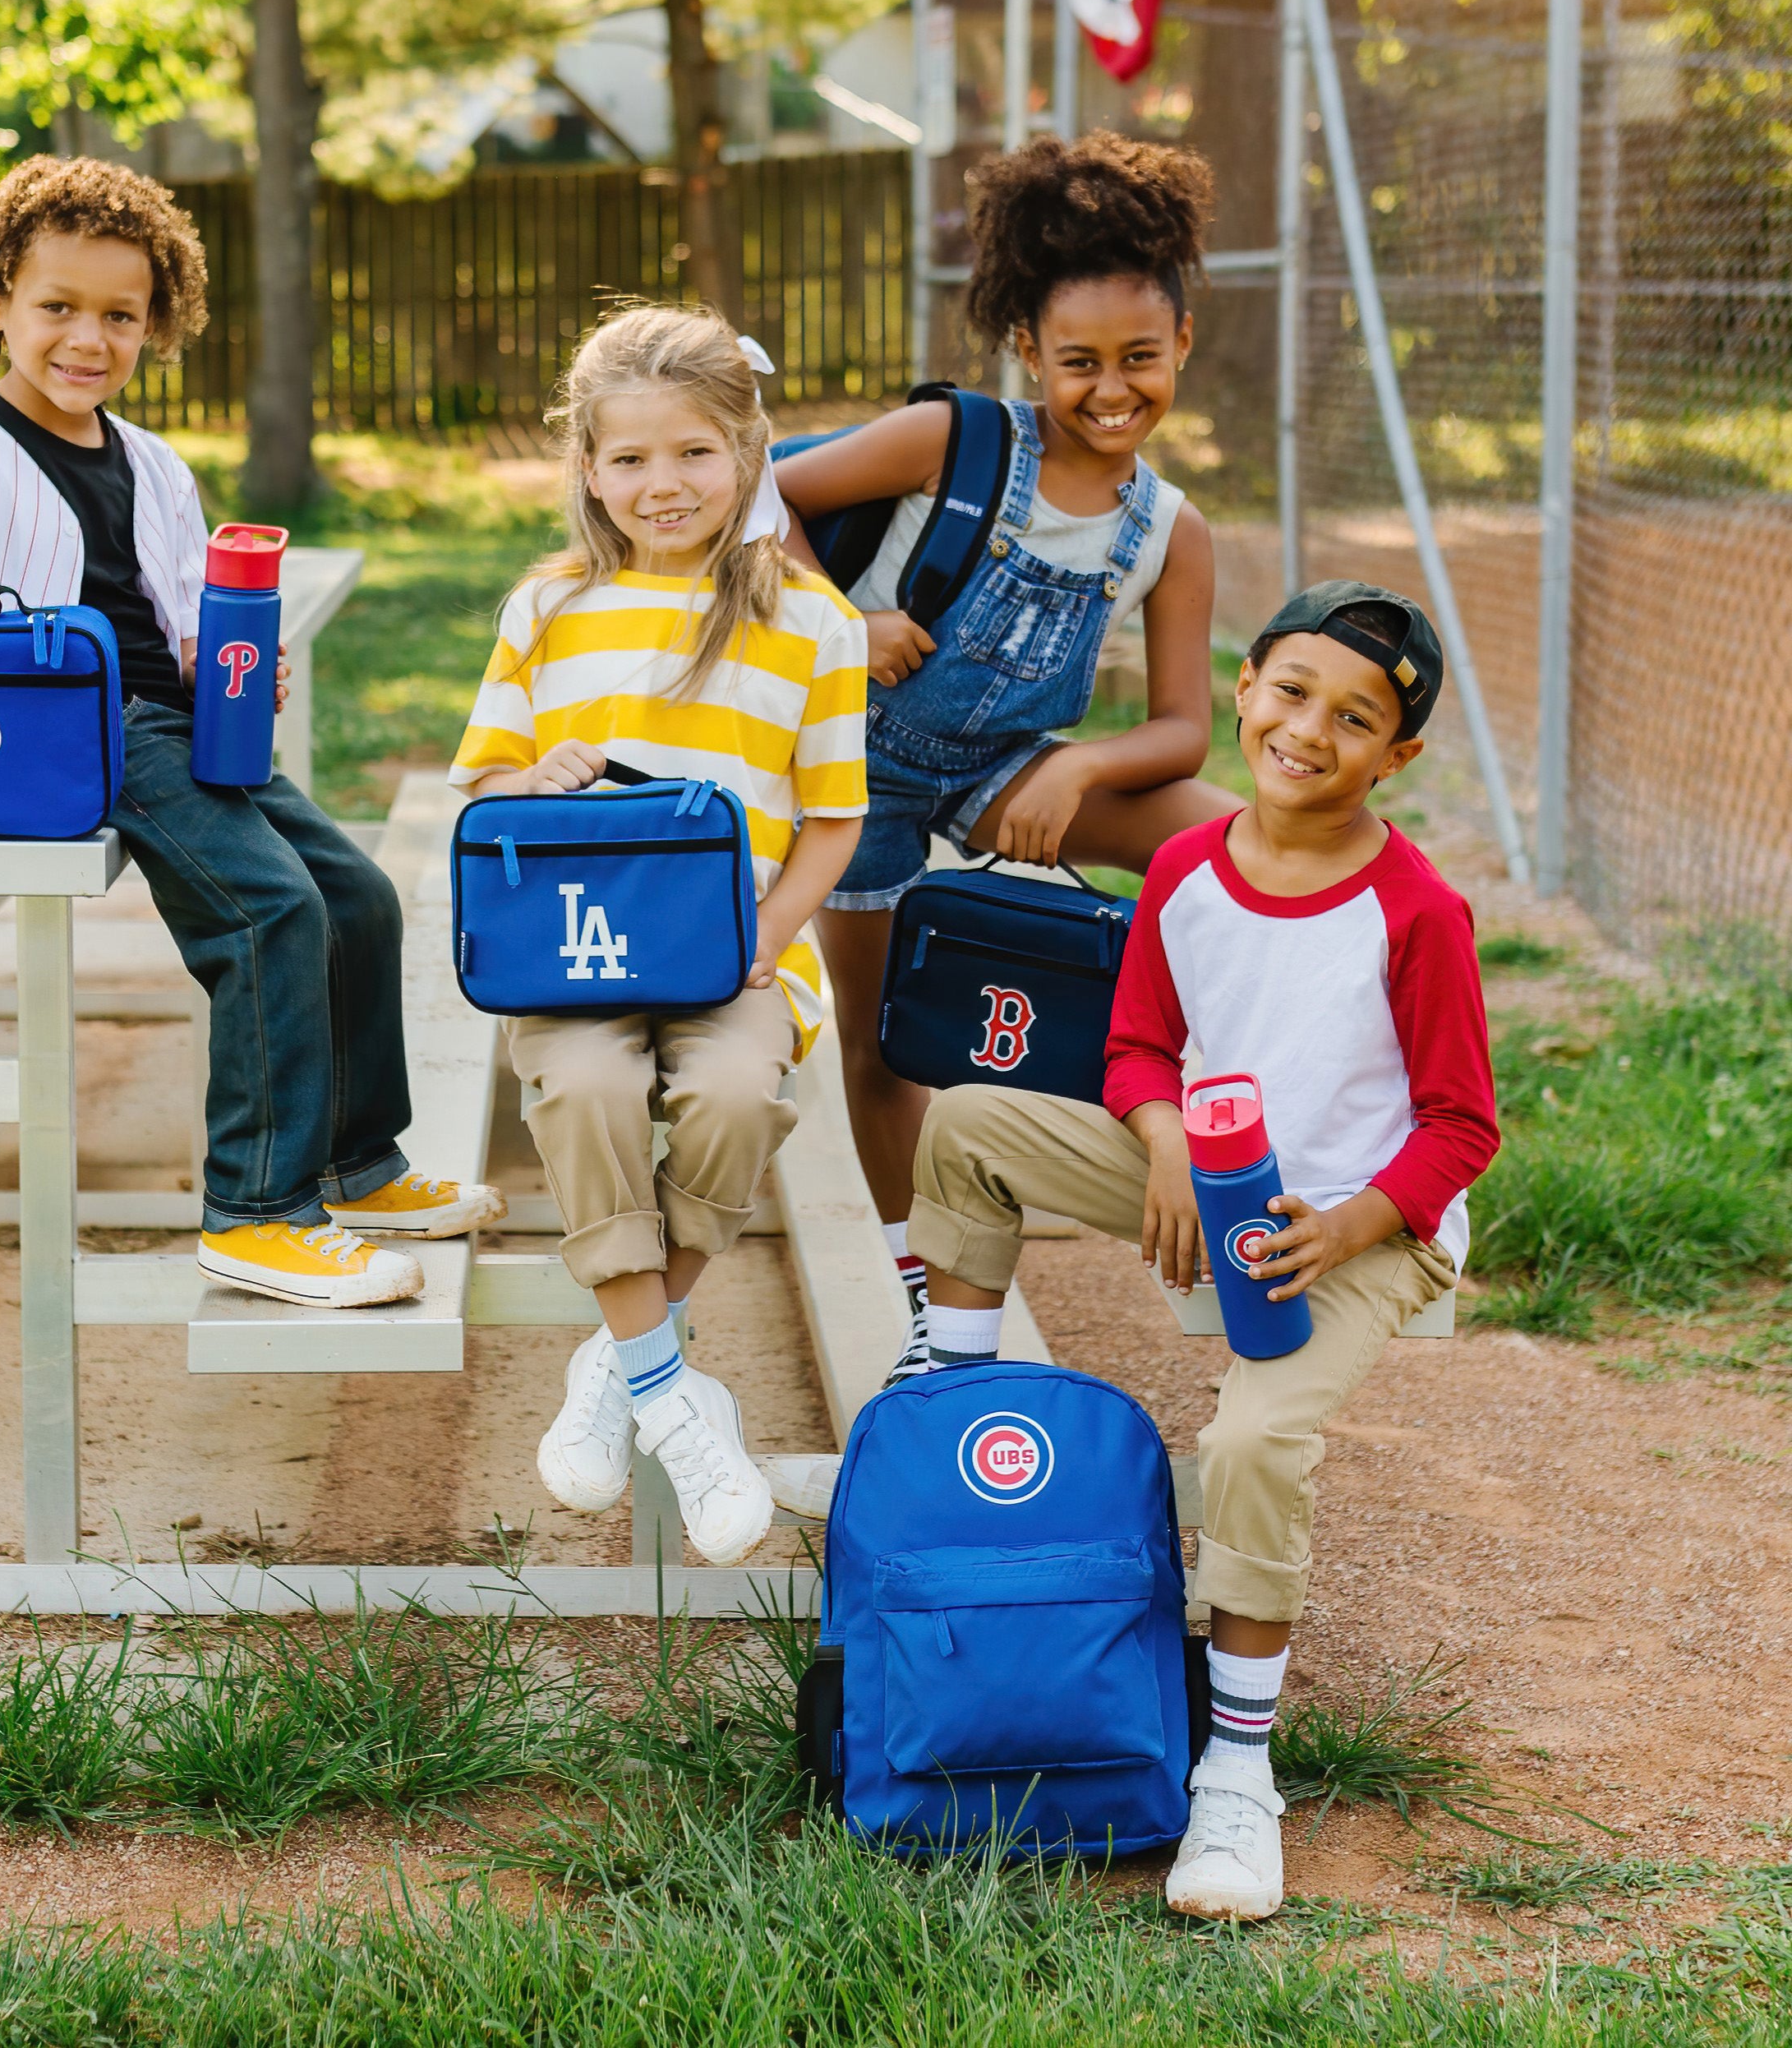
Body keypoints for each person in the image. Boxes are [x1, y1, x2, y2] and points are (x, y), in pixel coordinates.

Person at [903, 582, 1499, 1920]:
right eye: (1292, 692)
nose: (1311, 731)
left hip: (1358, 1221)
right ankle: (951, 1402)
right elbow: (1138, 1046)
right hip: (1211, 1172)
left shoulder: (1416, 914)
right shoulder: (1184, 867)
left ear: (1395, 758)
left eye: (1357, 720)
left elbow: (1464, 1127)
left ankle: (1238, 1773)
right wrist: (1162, 1140)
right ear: (1245, 688)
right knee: (974, 1122)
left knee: (1247, 1443)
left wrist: (1350, 1223)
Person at [0, 155, 502, 1306]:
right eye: (57, 308)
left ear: (157, 324)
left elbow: (186, 620)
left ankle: (356, 1162)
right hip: (62, 735)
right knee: (265, 909)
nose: (87, 338)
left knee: (356, 896)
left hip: (176, 721)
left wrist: (227, 668)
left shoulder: (155, 464)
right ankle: (253, 1212)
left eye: (119, 316)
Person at [770, 132, 1241, 1375]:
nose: (1112, 388)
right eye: (1078, 361)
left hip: (1005, 767)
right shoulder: (956, 443)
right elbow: (764, 504)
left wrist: (1081, 768)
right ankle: (925, 1292)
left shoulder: (1171, 531)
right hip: (852, 762)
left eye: (1141, 359)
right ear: (1027, 350)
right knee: (887, 1039)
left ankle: (1227, 1108)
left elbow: (1187, 729)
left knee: (1226, 843)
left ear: (1183, 345)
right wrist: (847, 619)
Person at [451, 307, 868, 1567]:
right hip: (574, 944)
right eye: (628, 459)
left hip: (736, 952)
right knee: (581, 1085)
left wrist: (768, 939)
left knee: (738, 1092)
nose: (661, 484)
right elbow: (485, 790)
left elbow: (835, 825)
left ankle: (620, 1362)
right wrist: (538, 778)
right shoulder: (547, 607)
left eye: (693, 453)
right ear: (586, 467)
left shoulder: (813, 621)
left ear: (747, 453)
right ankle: (675, 1394)